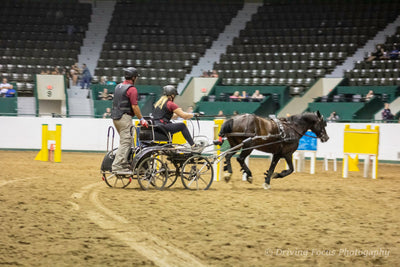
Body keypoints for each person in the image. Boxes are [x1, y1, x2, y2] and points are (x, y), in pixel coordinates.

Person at [111, 67, 148, 174]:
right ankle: (118, 166)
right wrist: (141, 119)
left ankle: (125, 162)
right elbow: (135, 106)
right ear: (133, 77)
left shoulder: (118, 86)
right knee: (126, 141)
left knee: (126, 141)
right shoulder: (132, 89)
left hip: (115, 118)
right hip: (124, 117)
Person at [152, 85, 200, 151]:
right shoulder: (170, 104)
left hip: (157, 126)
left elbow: (166, 116)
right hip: (163, 127)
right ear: (172, 95)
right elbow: (184, 116)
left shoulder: (159, 103)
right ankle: (193, 145)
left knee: (171, 124)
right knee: (182, 126)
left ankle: (169, 144)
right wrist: (194, 114)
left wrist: (177, 114)